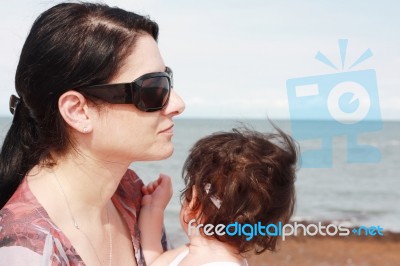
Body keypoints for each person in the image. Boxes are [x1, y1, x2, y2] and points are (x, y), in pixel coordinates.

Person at [0, 2, 185, 265]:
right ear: (78, 111)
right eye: (153, 88)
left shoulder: (130, 193)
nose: (177, 104)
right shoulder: (27, 251)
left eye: (167, 80)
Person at [139, 126, 298, 266]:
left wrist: (153, 207)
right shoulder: (189, 253)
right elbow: (154, 260)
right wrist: (153, 207)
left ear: (194, 203)